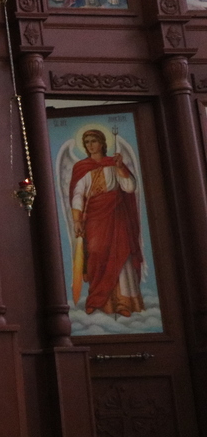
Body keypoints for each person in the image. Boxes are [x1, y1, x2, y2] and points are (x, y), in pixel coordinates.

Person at [70, 129, 144, 318]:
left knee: (121, 254)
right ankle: (98, 300)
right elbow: (78, 194)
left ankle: (123, 302)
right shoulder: (82, 167)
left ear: (102, 143)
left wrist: (120, 168)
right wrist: (77, 220)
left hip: (116, 216)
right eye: (87, 142)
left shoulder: (113, 163)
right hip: (94, 219)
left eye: (94, 141)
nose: (90, 145)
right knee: (96, 253)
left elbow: (130, 187)